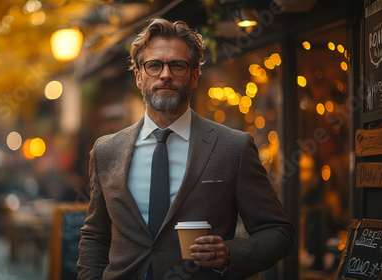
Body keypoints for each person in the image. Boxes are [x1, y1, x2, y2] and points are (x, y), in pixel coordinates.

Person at [77, 18, 295, 280]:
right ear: (138, 76)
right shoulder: (106, 150)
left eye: (177, 65)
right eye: (154, 65)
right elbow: (94, 236)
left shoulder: (233, 148)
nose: (165, 74)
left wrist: (229, 252)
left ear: (194, 76)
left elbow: (279, 233)